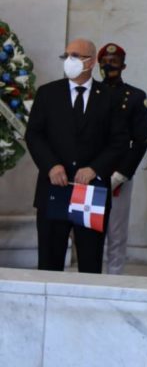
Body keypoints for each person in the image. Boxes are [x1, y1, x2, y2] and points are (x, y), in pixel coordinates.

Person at [25, 38, 128, 273]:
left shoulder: (109, 97)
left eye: (75, 56)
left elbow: (119, 142)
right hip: (55, 188)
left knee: (90, 263)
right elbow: (34, 136)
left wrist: (95, 169)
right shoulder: (48, 93)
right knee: (49, 262)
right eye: (66, 56)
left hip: (90, 191)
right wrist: (51, 166)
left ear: (90, 62)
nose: (69, 61)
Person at [98, 42, 147, 275]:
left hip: (119, 174)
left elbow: (140, 141)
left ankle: (114, 278)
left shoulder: (136, 97)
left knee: (116, 232)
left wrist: (121, 174)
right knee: (89, 231)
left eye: (114, 62)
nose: (109, 66)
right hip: (90, 172)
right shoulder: (91, 93)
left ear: (124, 65)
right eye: (106, 62)